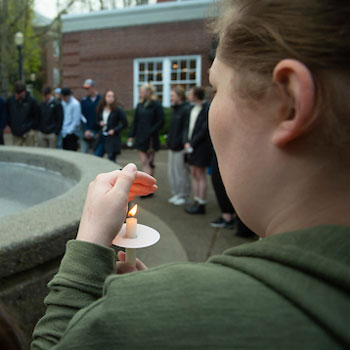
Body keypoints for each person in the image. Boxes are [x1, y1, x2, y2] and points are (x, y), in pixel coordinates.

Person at [31, 1, 349, 349]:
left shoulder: (141, 318)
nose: (212, 106)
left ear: (287, 102)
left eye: (216, 89)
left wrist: (92, 246)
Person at [128, 84, 164, 183]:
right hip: (140, 137)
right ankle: (146, 185)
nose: (140, 94)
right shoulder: (139, 105)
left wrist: (150, 132)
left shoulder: (156, 105)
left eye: (142, 92)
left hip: (151, 139)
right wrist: (131, 135)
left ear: (148, 92)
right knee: (144, 161)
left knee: (150, 162)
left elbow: (161, 121)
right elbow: (135, 121)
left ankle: (150, 184)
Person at [184, 86, 212, 214]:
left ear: (197, 95)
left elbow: (204, 129)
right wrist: (186, 142)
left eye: (191, 94)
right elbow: (188, 127)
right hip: (191, 145)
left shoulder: (206, 108)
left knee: (200, 175)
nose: (189, 96)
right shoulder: (192, 108)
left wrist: (192, 143)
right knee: (193, 173)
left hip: (201, 146)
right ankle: (196, 200)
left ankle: (201, 203)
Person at [167, 86, 192, 206]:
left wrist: (183, 142)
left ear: (179, 96)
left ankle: (183, 195)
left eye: (173, 95)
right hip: (172, 145)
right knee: (172, 172)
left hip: (180, 147)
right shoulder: (175, 109)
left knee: (181, 172)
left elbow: (185, 128)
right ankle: (176, 193)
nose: (171, 97)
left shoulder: (186, 109)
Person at [96, 90, 128, 163]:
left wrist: (114, 130)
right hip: (102, 135)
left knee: (111, 158)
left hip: (112, 137)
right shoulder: (101, 109)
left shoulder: (118, 109)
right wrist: (100, 123)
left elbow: (124, 123)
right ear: (104, 98)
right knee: (97, 154)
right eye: (109, 96)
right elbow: (96, 120)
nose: (111, 98)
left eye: (112, 96)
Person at [6, 81, 39, 147]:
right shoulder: (10, 101)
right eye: (15, 93)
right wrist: (10, 126)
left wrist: (32, 128)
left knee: (30, 151)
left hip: (28, 132)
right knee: (17, 152)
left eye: (18, 93)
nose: (16, 95)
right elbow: (8, 114)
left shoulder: (32, 101)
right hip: (16, 132)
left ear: (24, 92)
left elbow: (37, 116)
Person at [81, 79, 102, 156]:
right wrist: (85, 130)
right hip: (87, 132)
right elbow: (82, 117)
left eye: (88, 88)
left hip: (97, 132)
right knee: (84, 154)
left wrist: (99, 131)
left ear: (93, 87)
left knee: (97, 155)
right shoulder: (84, 100)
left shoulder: (101, 99)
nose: (87, 90)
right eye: (85, 89)